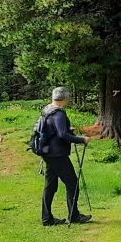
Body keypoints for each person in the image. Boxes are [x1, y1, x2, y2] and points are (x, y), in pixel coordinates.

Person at [37, 86, 92, 226]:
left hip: (47, 153)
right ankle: (74, 216)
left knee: (50, 186)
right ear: (64, 98)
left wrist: (68, 130)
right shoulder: (59, 113)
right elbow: (62, 134)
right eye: (68, 98)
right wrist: (82, 139)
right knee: (72, 184)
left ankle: (47, 218)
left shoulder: (47, 109)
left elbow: (54, 130)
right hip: (58, 155)